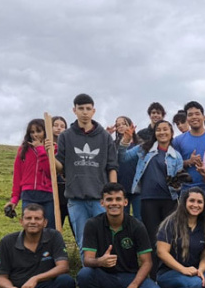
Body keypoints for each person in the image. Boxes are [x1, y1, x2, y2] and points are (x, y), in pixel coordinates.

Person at [76, 183, 165, 288]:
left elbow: (147, 263)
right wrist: (100, 261)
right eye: (109, 199)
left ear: (125, 202)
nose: (114, 203)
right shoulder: (92, 224)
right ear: (102, 203)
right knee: (84, 275)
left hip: (130, 276)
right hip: (105, 277)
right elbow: (87, 260)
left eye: (118, 199)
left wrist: (132, 287)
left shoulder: (136, 226)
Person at [55, 93, 118, 252]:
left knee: (105, 239)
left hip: (100, 198)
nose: (84, 112)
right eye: (81, 108)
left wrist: (112, 193)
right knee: (83, 241)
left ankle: (106, 274)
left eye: (88, 109)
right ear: (74, 110)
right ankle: (87, 274)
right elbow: (60, 166)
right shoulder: (65, 136)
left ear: (93, 111)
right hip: (76, 198)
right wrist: (49, 153)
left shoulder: (104, 136)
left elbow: (112, 166)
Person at [128, 120, 184, 245]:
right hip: (148, 199)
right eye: (158, 130)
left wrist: (176, 183)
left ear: (171, 133)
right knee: (152, 236)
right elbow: (123, 157)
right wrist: (125, 140)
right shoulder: (144, 149)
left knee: (169, 236)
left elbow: (179, 182)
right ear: (154, 133)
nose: (162, 132)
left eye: (165, 129)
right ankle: (153, 264)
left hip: (169, 200)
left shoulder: (177, 156)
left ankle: (168, 264)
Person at [7, 118, 56, 224]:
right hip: (28, 194)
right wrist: (14, 199)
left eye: (39, 131)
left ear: (45, 132)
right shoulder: (23, 150)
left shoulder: (53, 149)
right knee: (31, 228)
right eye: (32, 132)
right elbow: (17, 176)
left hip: (48, 195)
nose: (35, 135)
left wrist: (41, 150)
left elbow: (50, 172)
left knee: (48, 229)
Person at [172, 101, 205, 193]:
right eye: (190, 115)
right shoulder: (178, 140)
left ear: (203, 117)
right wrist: (189, 162)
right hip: (187, 189)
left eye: (197, 114)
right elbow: (173, 165)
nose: (194, 117)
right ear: (187, 118)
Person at [114, 115, 143, 220]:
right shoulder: (113, 145)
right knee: (122, 217)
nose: (121, 126)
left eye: (124, 124)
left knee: (139, 217)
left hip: (137, 186)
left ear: (130, 125)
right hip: (121, 185)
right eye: (118, 125)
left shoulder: (140, 145)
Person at [51, 115, 70, 233]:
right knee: (56, 223)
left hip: (67, 188)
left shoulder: (68, 146)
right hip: (53, 189)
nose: (59, 128)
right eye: (56, 125)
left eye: (62, 126)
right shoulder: (44, 146)